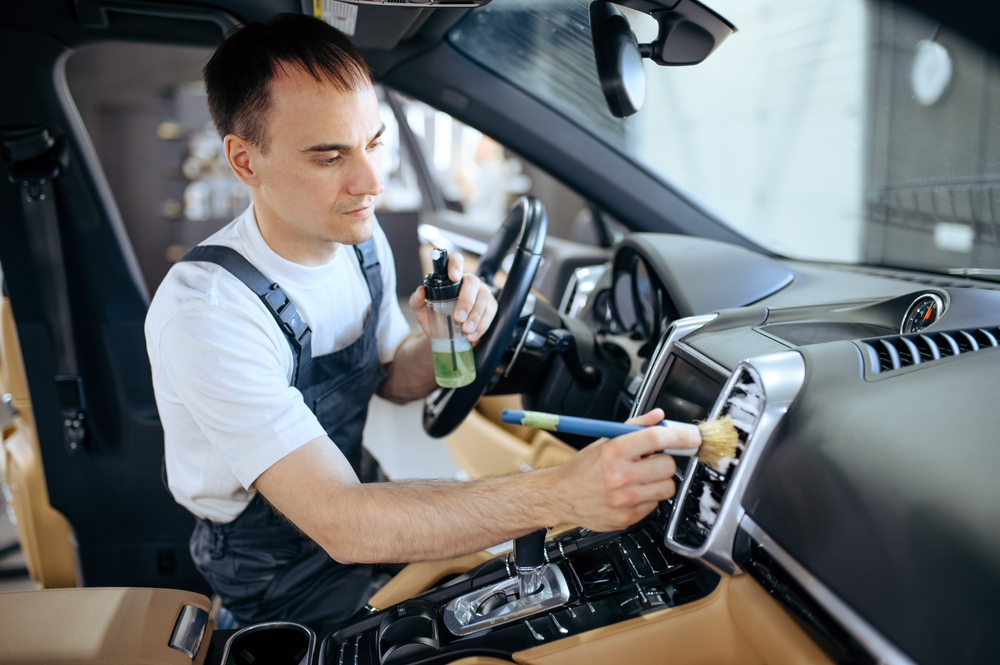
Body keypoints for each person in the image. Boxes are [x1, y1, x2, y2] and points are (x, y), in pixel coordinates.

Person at [144, 13, 699, 626]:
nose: (371, 182)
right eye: (329, 157)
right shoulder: (210, 313)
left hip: (353, 487)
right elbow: (342, 522)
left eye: (374, 142)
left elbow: (389, 377)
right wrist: (562, 492)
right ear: (245, 162)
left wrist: (445, 343)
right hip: (274, 562)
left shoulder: (357, 239)